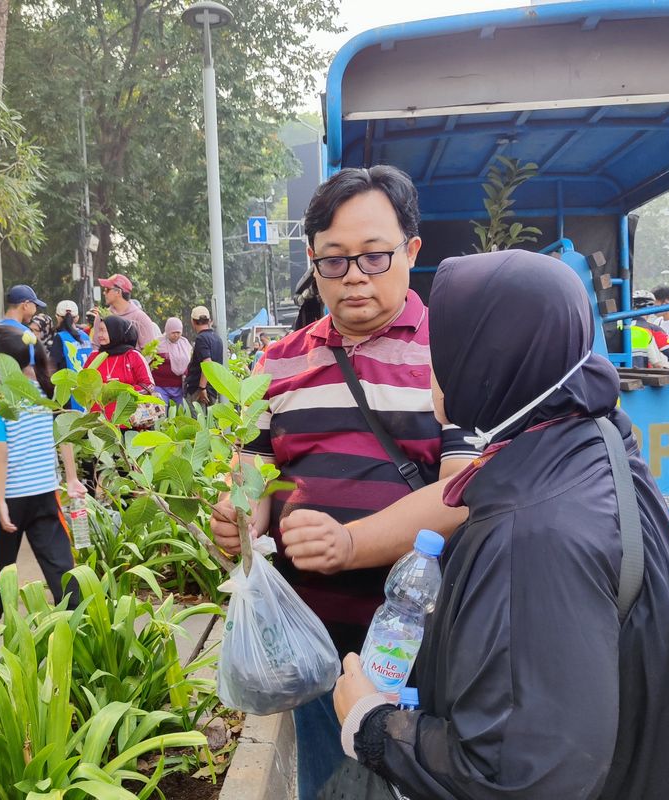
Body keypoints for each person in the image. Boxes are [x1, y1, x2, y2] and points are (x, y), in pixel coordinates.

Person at [331, 250, 669, 800]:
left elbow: (520, 773)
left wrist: (370, 725)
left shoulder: (532, 532)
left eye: (443, 347)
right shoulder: (592, 440)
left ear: (487, 359)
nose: (428, 365)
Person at [208, 166, 476, 799]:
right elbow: (257, 470)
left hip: (425, 647)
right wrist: (239, 516)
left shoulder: (456, 355)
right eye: (334, 261)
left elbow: (462, 494)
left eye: (374, 256)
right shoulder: (279, 361)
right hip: (317, 646)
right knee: (330, 789)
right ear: (313, 261)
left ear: (412, 251)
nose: (354, 275)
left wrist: (348, 543)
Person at [0, 325, 86, 630]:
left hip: (8, 498)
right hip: (45, 494)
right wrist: (72, 478)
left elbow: (0, 449)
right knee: (60, 564)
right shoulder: (46, 393)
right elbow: (65, 435)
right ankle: (80, 621)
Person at [85, 315, 155, 421]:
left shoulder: (132, 356)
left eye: (103, 331)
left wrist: (122, 391)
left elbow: (148, 386)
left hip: (128, 421)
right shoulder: (94, 357)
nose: (99, 335)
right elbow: (83, 383)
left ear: (115, 331)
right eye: (98, 330)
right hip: (98, 421)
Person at [95, 274, 161, 349]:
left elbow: (149, 351)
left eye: (107, 290)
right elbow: (96, 346)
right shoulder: (102, 316)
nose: (104, 293)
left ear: (118, 292)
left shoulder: (140, 318)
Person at [183, 306, 223, 406]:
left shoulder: (201, 338)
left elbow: (207, 363)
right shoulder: (217, 338)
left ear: (193, 321)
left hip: (199, 390)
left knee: (196, 420)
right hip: (213, 388)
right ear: (209, 321)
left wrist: (202, 388)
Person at [152, 317, 191, 405]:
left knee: (181, 413)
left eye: (178, 332)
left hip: (179, 387)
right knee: (162, 412)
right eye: (173, 332)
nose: (176, 335)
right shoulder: (157, 343)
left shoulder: (184, 343)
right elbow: (148, 360)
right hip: (160, 386)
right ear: (168, 331)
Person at [50, 300, 93, 373]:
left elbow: (53, 365)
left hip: (69, 381)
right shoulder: (85, 336)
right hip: (86, 380)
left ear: (58, 317)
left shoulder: (60, 337)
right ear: (77, 318)